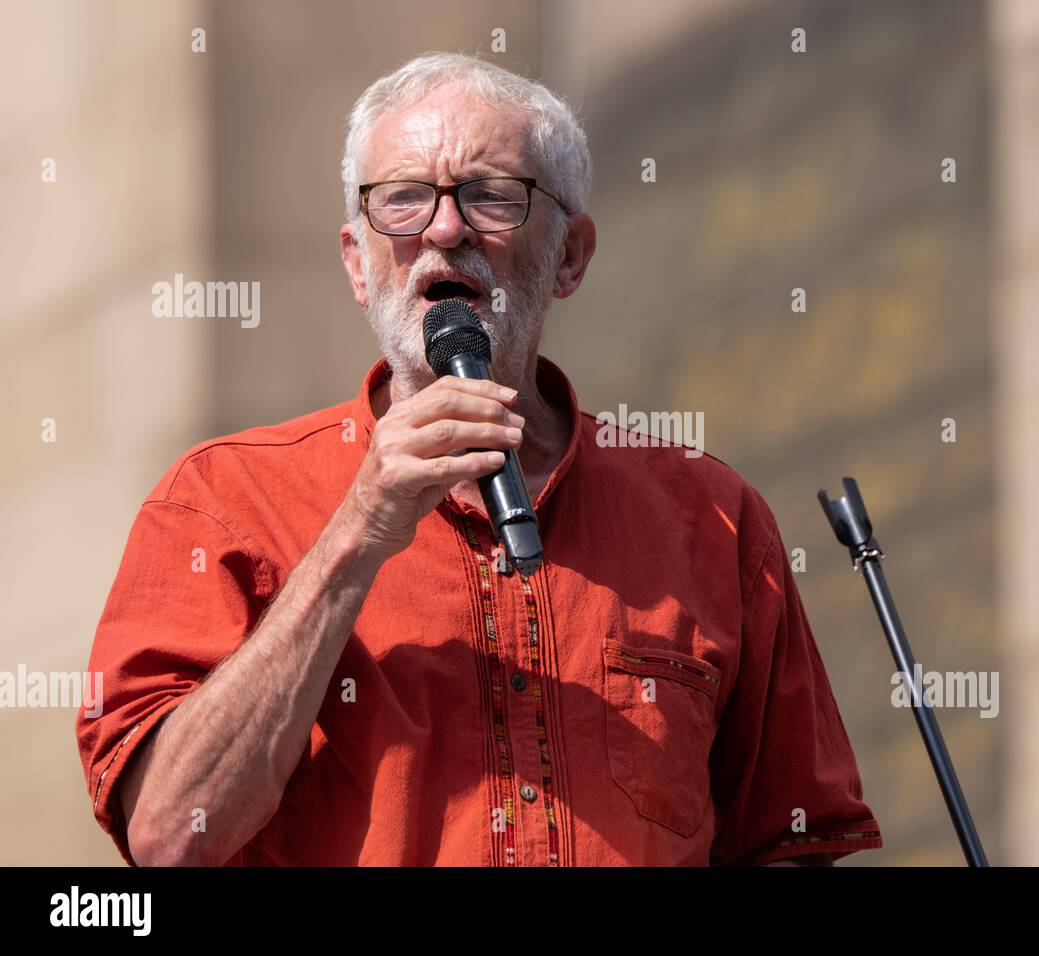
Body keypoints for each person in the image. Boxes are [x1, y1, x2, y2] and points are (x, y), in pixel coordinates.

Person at [75, 51, 882, 867]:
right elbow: (171, 837)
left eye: (492, 195)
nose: (444, 228)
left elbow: (793, 841)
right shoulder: (224, 500)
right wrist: (359, 531)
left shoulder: (711, 517)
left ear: (570, 256)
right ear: (358, 261)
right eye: (405, 197)